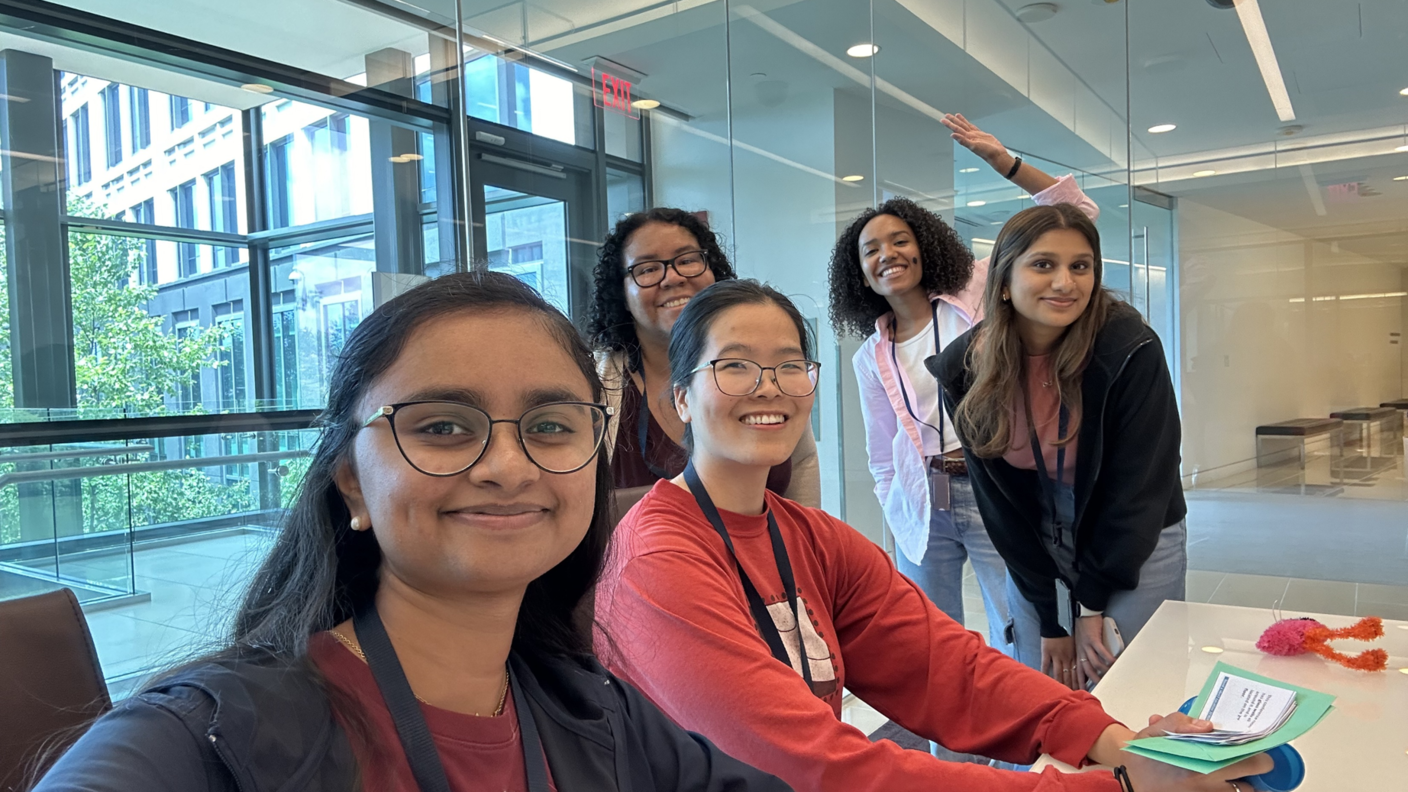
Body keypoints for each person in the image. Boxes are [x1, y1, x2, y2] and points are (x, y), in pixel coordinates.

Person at [32, 272, 792, 792]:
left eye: (551, 425)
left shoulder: (595, 712)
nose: (506, 464)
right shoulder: (206, 741)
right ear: (353, 481)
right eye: (441, 426)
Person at [594, 278, 1268, 792]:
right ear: (681, 395)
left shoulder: (812, 538)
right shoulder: (658, 559)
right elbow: (811, 768)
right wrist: (1114, 785)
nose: (768, 387)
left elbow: (948, 669)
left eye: (789, 364)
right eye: (734, 365)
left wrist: (1113, 742)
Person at [827, 113, 1098, 659]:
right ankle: (947, 748)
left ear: (923, 247)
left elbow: (1076, 213)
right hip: (923, 499)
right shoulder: (869, 354)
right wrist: (893, 497)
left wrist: (1007, 163)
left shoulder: (977, 290)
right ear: (860, 273)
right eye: (871, 250)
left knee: (1021, 624)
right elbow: (882, 448)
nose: (888, 255)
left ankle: (1023, 740)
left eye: (900, 241)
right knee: (934, 642)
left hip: (996, 483)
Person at [936, 204, 1187, 691]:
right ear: (1004, 280)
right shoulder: (965, 367)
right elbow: (1002, 507)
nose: (1065, 282)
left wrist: (1089, 606)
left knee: (1128, 686)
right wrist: (1053, 620)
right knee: (1044, 685)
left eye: (1080, 266)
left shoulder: (1128, 348)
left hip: (1133, 535)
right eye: (1043, 264)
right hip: (1038, 534)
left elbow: (1136, 492)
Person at [586, 207, 820, 513]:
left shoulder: (768, 372)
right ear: (620, 293)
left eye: (688, 260)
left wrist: (806, 551)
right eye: (647, 269)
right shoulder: (590, 384)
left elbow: (801, 464)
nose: (672, 277)